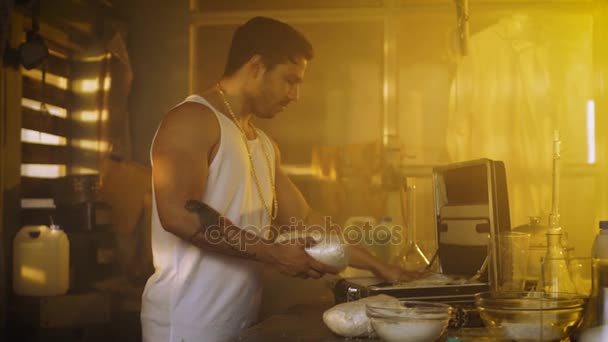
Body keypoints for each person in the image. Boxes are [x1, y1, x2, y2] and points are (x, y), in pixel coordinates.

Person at [141, 16, 420, 342]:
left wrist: (380, 268)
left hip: (240, 323)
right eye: (290, 80)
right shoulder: (191, 119)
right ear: (257, 66)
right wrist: (273, 253)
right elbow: (179, 212)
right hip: (185, 326)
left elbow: (307, 220)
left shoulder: (264, 144)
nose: (296, 95)